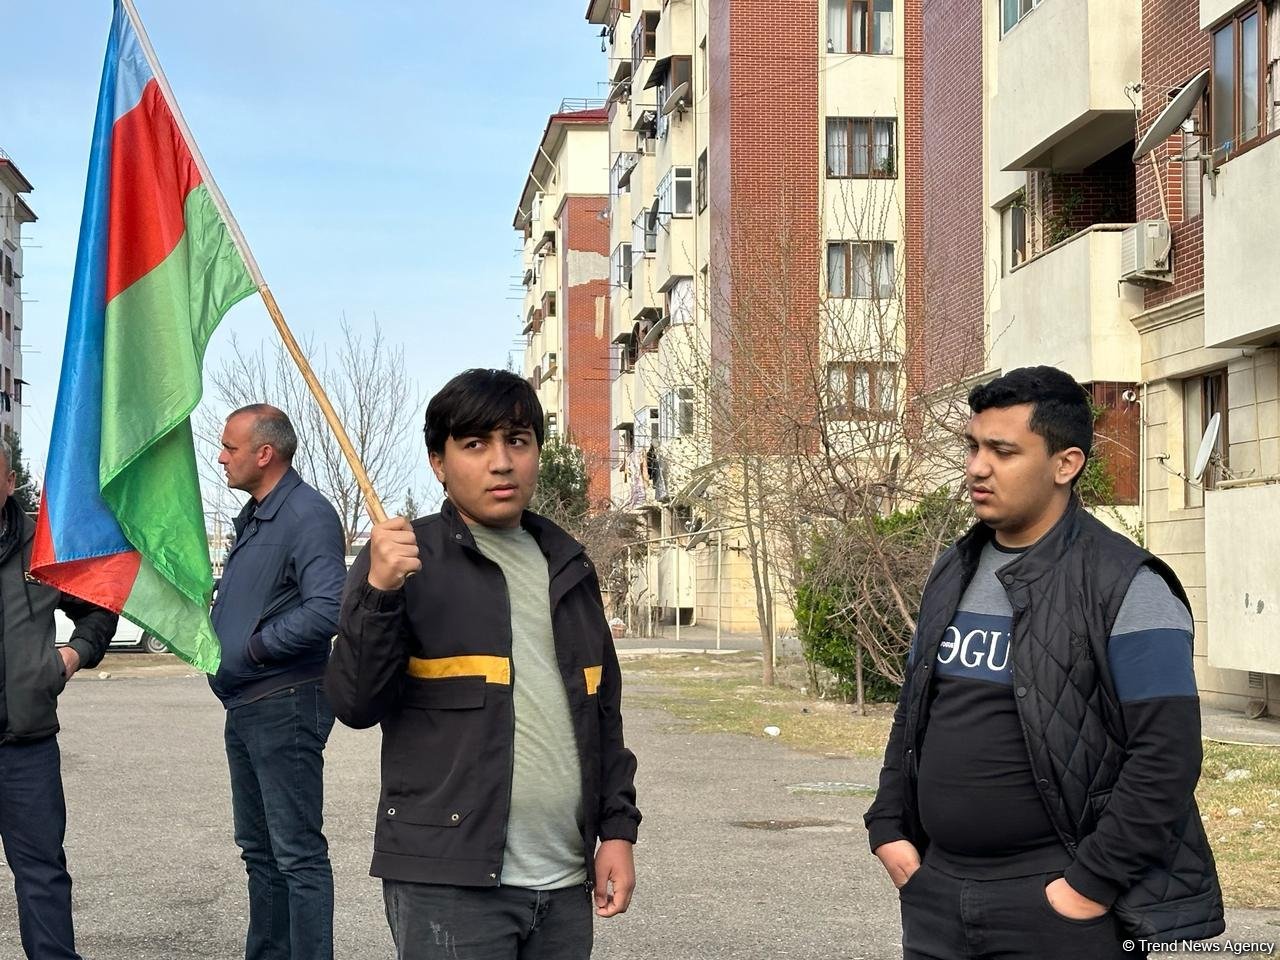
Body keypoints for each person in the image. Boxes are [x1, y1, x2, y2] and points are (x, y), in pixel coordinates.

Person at [865, 366, 1224, 960]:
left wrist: (1087, 887)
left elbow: (1167, 757)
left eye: (1003, 451)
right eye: (974, 447)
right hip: (935, 895)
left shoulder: (1128, 586)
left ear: (1066, 464)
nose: (978, 467)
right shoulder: (953, 571)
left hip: (1055, 908)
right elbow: (914, 713)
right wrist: (889, 826)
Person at [327, 369, 640, 960]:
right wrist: (378, 592)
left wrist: (617, 831)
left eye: (517, 441)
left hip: (565, 879)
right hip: (448, 881)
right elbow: (356, 703)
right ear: (438, 463)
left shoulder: (568, 566)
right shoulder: (402, 560)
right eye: (475, 444)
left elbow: (604, 718)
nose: (502, 463)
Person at [210, 404, 347, 960]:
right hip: (247, 703)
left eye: (230, 447)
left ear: (265, 454)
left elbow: (329, 607)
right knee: (259, 852)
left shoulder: (307, 514)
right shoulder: (257, 515)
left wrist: (254, 646)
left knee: (296, 855)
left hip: (285, 700)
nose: (221, 457)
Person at [0, 438, 117, 960]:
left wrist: (71, 656)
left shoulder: (44, 544)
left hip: (27, 748)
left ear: (8, 482)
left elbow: (98, 607)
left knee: (43, 876)